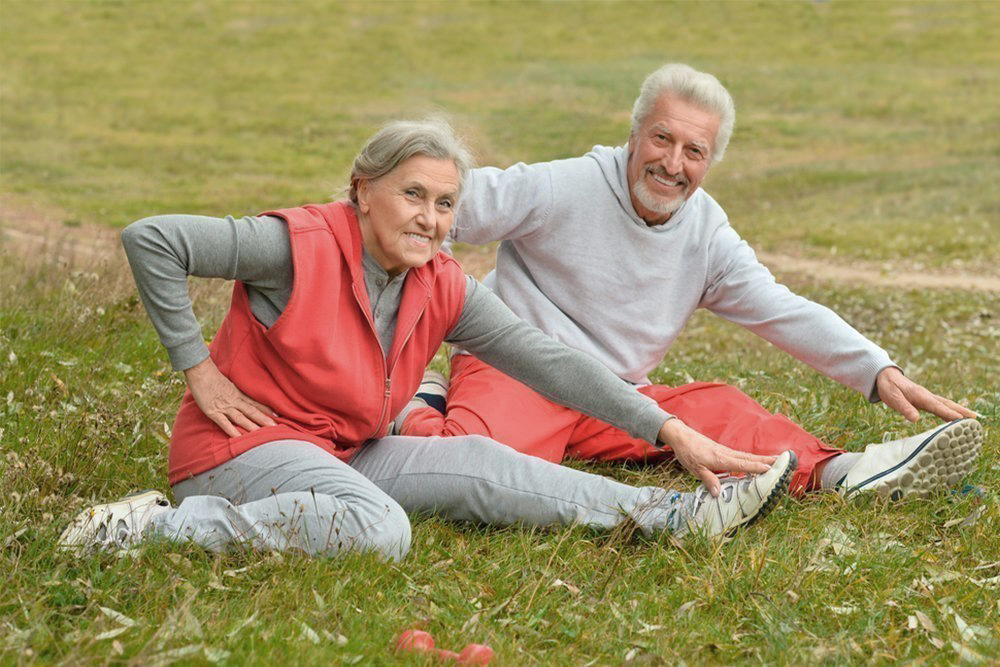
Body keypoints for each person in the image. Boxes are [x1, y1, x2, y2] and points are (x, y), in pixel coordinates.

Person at [59, 119, 797, 561]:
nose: (430, 217)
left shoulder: (440, 282)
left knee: (475, 458)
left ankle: (678, 516)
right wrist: (197, 367)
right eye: (413, 194)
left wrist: (668, 427)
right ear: (362, 190)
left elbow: (551, 363)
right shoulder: (295, 245)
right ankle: (151, 529)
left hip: (342, 448)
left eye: (446, 203)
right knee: (379, 529)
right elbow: (152, 239)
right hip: (238, 452)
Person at [397, 64, 983, 500]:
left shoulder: (707, 235)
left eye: (694, 151)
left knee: (725, 411)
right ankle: (418, 403)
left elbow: (780, 309)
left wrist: (876, 369)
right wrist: (429, 313)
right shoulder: (564, 185)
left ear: (710, 162)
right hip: (519, 373)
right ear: (634, 135)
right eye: (661, 139)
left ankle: (848, 472)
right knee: (467, 468)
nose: (673, 164)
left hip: (618, 396)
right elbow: (441, 210)